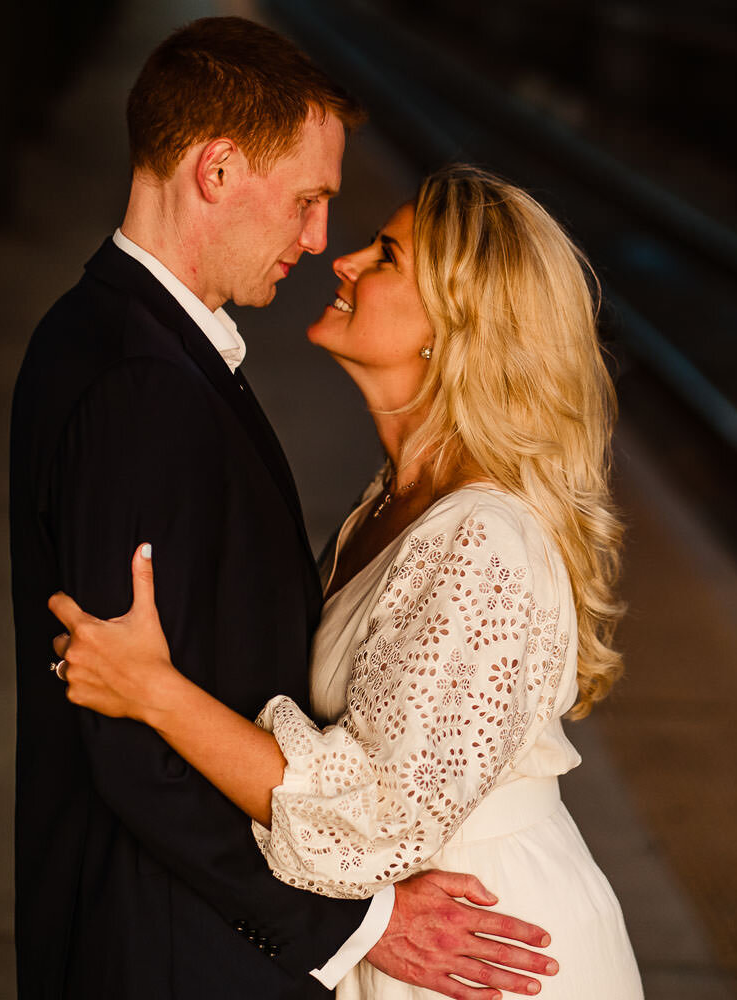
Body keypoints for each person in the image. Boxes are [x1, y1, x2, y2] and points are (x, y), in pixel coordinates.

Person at [9, 19, 554, 1000]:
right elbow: (126, 743)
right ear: (216, 170)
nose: (319, 242)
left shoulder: (137, 347)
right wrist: (351, 926)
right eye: (309, 201)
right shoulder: (142, 383)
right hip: (173, 949)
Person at [47, 164, 646, 999]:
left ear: (455, 324)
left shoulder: (486, 541)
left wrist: (153, 691)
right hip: (425, 931)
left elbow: (370, 823)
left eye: (387, 255)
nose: (344, 259)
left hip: (481, 947)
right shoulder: (393, 504)